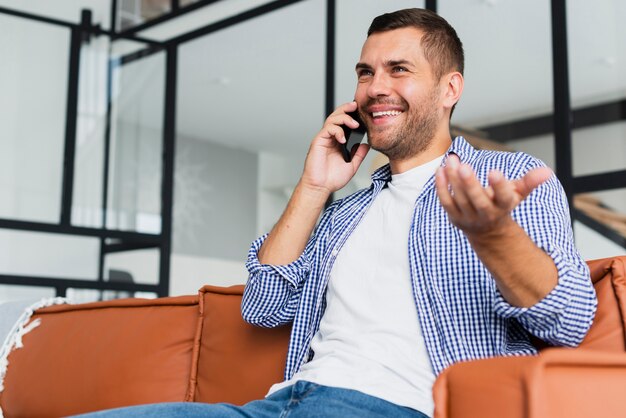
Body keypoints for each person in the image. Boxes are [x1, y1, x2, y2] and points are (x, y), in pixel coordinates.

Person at [79, 7, 597, 418]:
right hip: (280, 404)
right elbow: (263, 307)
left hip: (395, 406)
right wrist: (313, 186)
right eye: (365, 72)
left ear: (450, 89)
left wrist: (492, 237)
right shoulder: (346, 212)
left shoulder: (505, 179)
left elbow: (570, 320)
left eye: (399, 69)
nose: (375, 88)